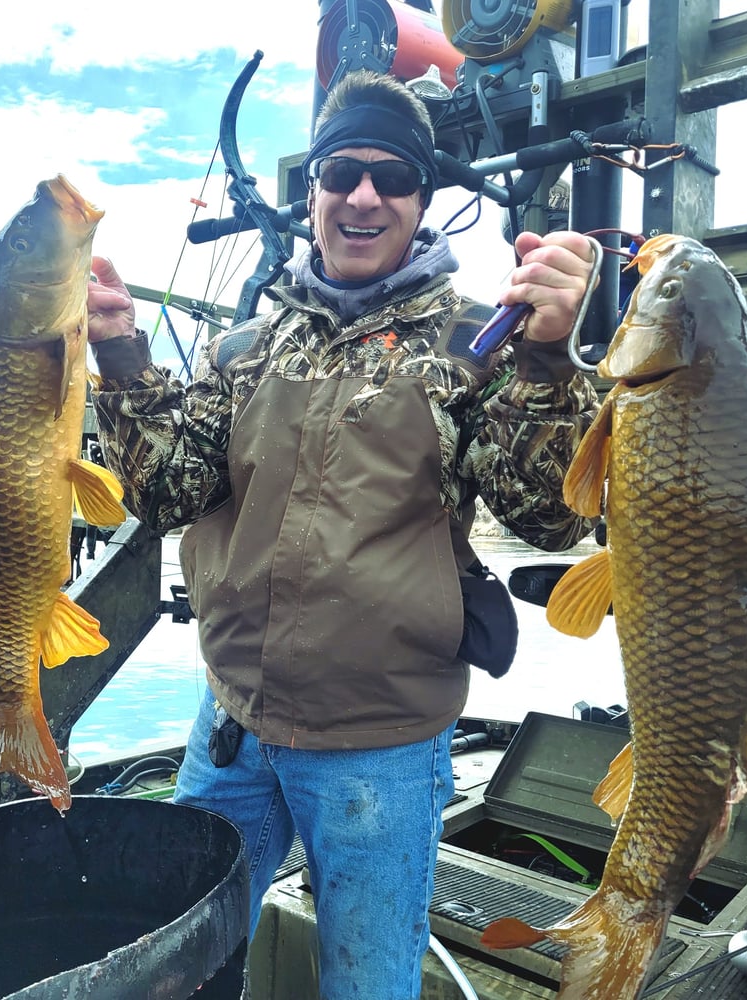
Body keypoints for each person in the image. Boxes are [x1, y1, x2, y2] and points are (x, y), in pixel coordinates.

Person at [87, 69, 599, 1000]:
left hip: (382, 746)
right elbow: (166, 492)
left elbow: (549, 516)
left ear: (419, 200)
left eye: (394, 176)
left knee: (367, 985)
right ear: (313, 191)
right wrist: (122, 351)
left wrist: (549, 361)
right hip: (232, 725)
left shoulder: (475, 344)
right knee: (181, 965)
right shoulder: (247, 345)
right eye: (342, 171)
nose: (364, 194)